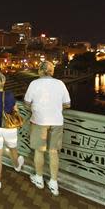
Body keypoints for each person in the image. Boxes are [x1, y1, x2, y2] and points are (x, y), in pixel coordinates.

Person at [24, 61, 71, 196]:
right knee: (53, 152)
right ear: (52, 71)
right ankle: (54, 183)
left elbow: (27, 103)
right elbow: (67, 104)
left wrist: (34, 108)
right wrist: (55, 107)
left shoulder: (34, 84)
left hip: (39, 121)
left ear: (39, 71)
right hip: (56, 121)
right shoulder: (60, 84)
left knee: (39, 151)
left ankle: (39, 179)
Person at [0, 71, 24, 189]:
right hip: (9, 127)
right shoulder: (9, 95)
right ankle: (17, 166)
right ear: (4, 82)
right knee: (13, 148)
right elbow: (14, 108)